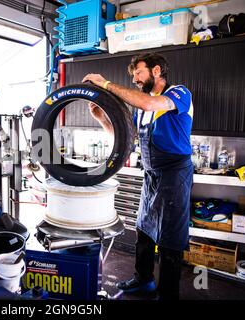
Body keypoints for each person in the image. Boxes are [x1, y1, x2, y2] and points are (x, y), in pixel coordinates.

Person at [83, 53, 193, 300]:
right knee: (143, 229)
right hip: (152, 175)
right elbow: (124, 138)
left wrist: (105, 84)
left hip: (175, 174)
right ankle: (143, 280)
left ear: (156, 71)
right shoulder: (142, 110)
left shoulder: (178, 94)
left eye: (138, 73)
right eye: (133, 76)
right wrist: (101, 118)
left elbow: (149, 103)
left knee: (169, 240)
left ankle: (167, 294)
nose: (135, 79)